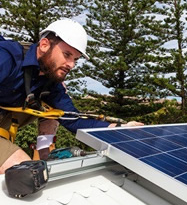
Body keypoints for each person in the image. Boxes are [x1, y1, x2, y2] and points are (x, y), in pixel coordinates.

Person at [0, 19, 143, 174]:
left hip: (5, 118)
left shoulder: (51, 82)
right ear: (44, 45)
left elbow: (72, 119)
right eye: (66, 55)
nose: (71, 65)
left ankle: (44, 153)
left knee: (53, 111)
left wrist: (118, 129)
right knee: (25, 172)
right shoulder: (6, 58)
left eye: (75, 59)